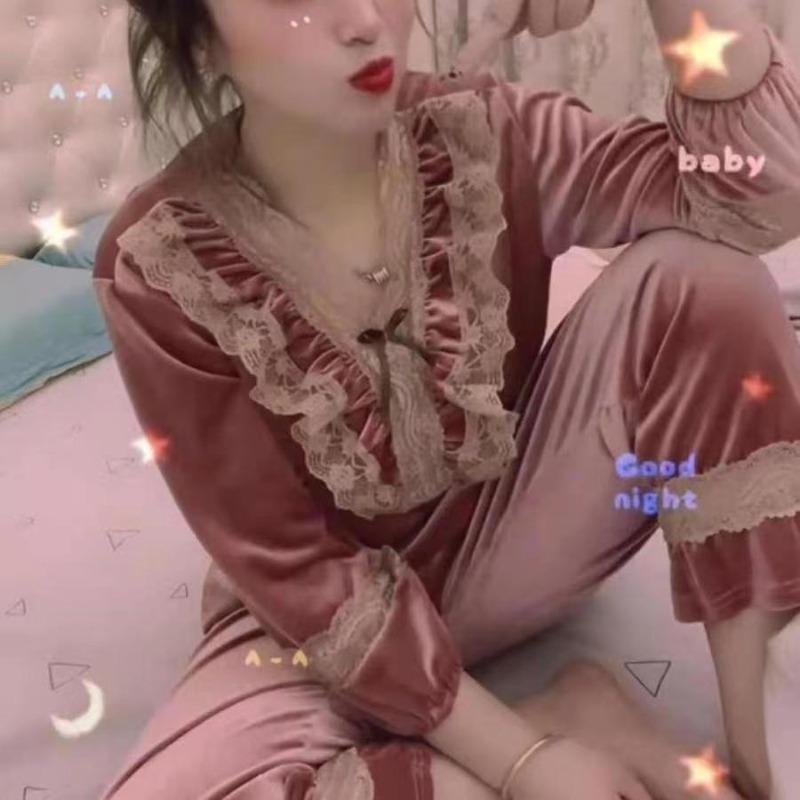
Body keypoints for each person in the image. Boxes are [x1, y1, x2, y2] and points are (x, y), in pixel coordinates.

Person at [93, 0, 800, 797]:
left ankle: (769, 754)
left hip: (520, 537)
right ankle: (571, 713)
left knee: (711, 282)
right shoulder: (161, 261)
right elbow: (297, 569)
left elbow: (752, 199)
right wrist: (523, 757)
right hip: (319, 622)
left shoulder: (479, 133)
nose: (365, 20)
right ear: (199, 42)